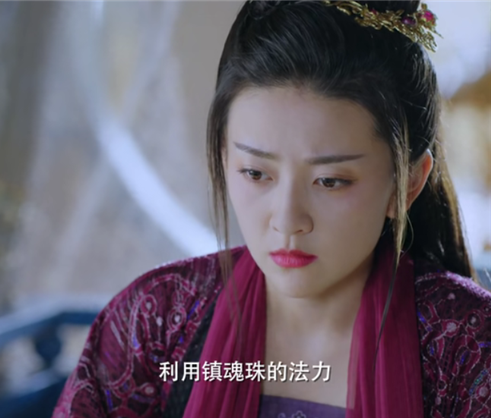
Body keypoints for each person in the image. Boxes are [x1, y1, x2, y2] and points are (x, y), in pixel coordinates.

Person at [52, 1, 491, 417]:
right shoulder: (156, 322)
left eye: (330, 181)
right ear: (224, 157)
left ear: (407, 183)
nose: (287, 220)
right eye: (256, 173)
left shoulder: (468, 348)